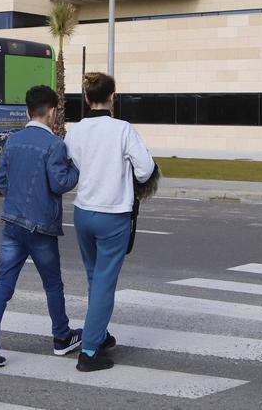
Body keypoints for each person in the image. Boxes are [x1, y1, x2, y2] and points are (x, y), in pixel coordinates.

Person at [0, 85, 81, 369]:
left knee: (3, 284)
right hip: (41, 227)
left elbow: (1, 179)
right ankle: (61, 337)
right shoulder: (55, 145)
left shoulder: (13, 140)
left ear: (27, 112)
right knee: (52, 284)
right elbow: (60, 182)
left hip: (12, 223)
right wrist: (75, 169)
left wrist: (17, 199)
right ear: (54, 112)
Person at [65, 72, 155, 372]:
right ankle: (89, 352)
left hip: (82, 211)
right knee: (105, 282)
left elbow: (73, 164)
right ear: (112, 97)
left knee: (94, 277)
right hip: (112, 214)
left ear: (87, 98)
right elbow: (145, 169)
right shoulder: (122, 129)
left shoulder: (75, 131)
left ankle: (99, 334)